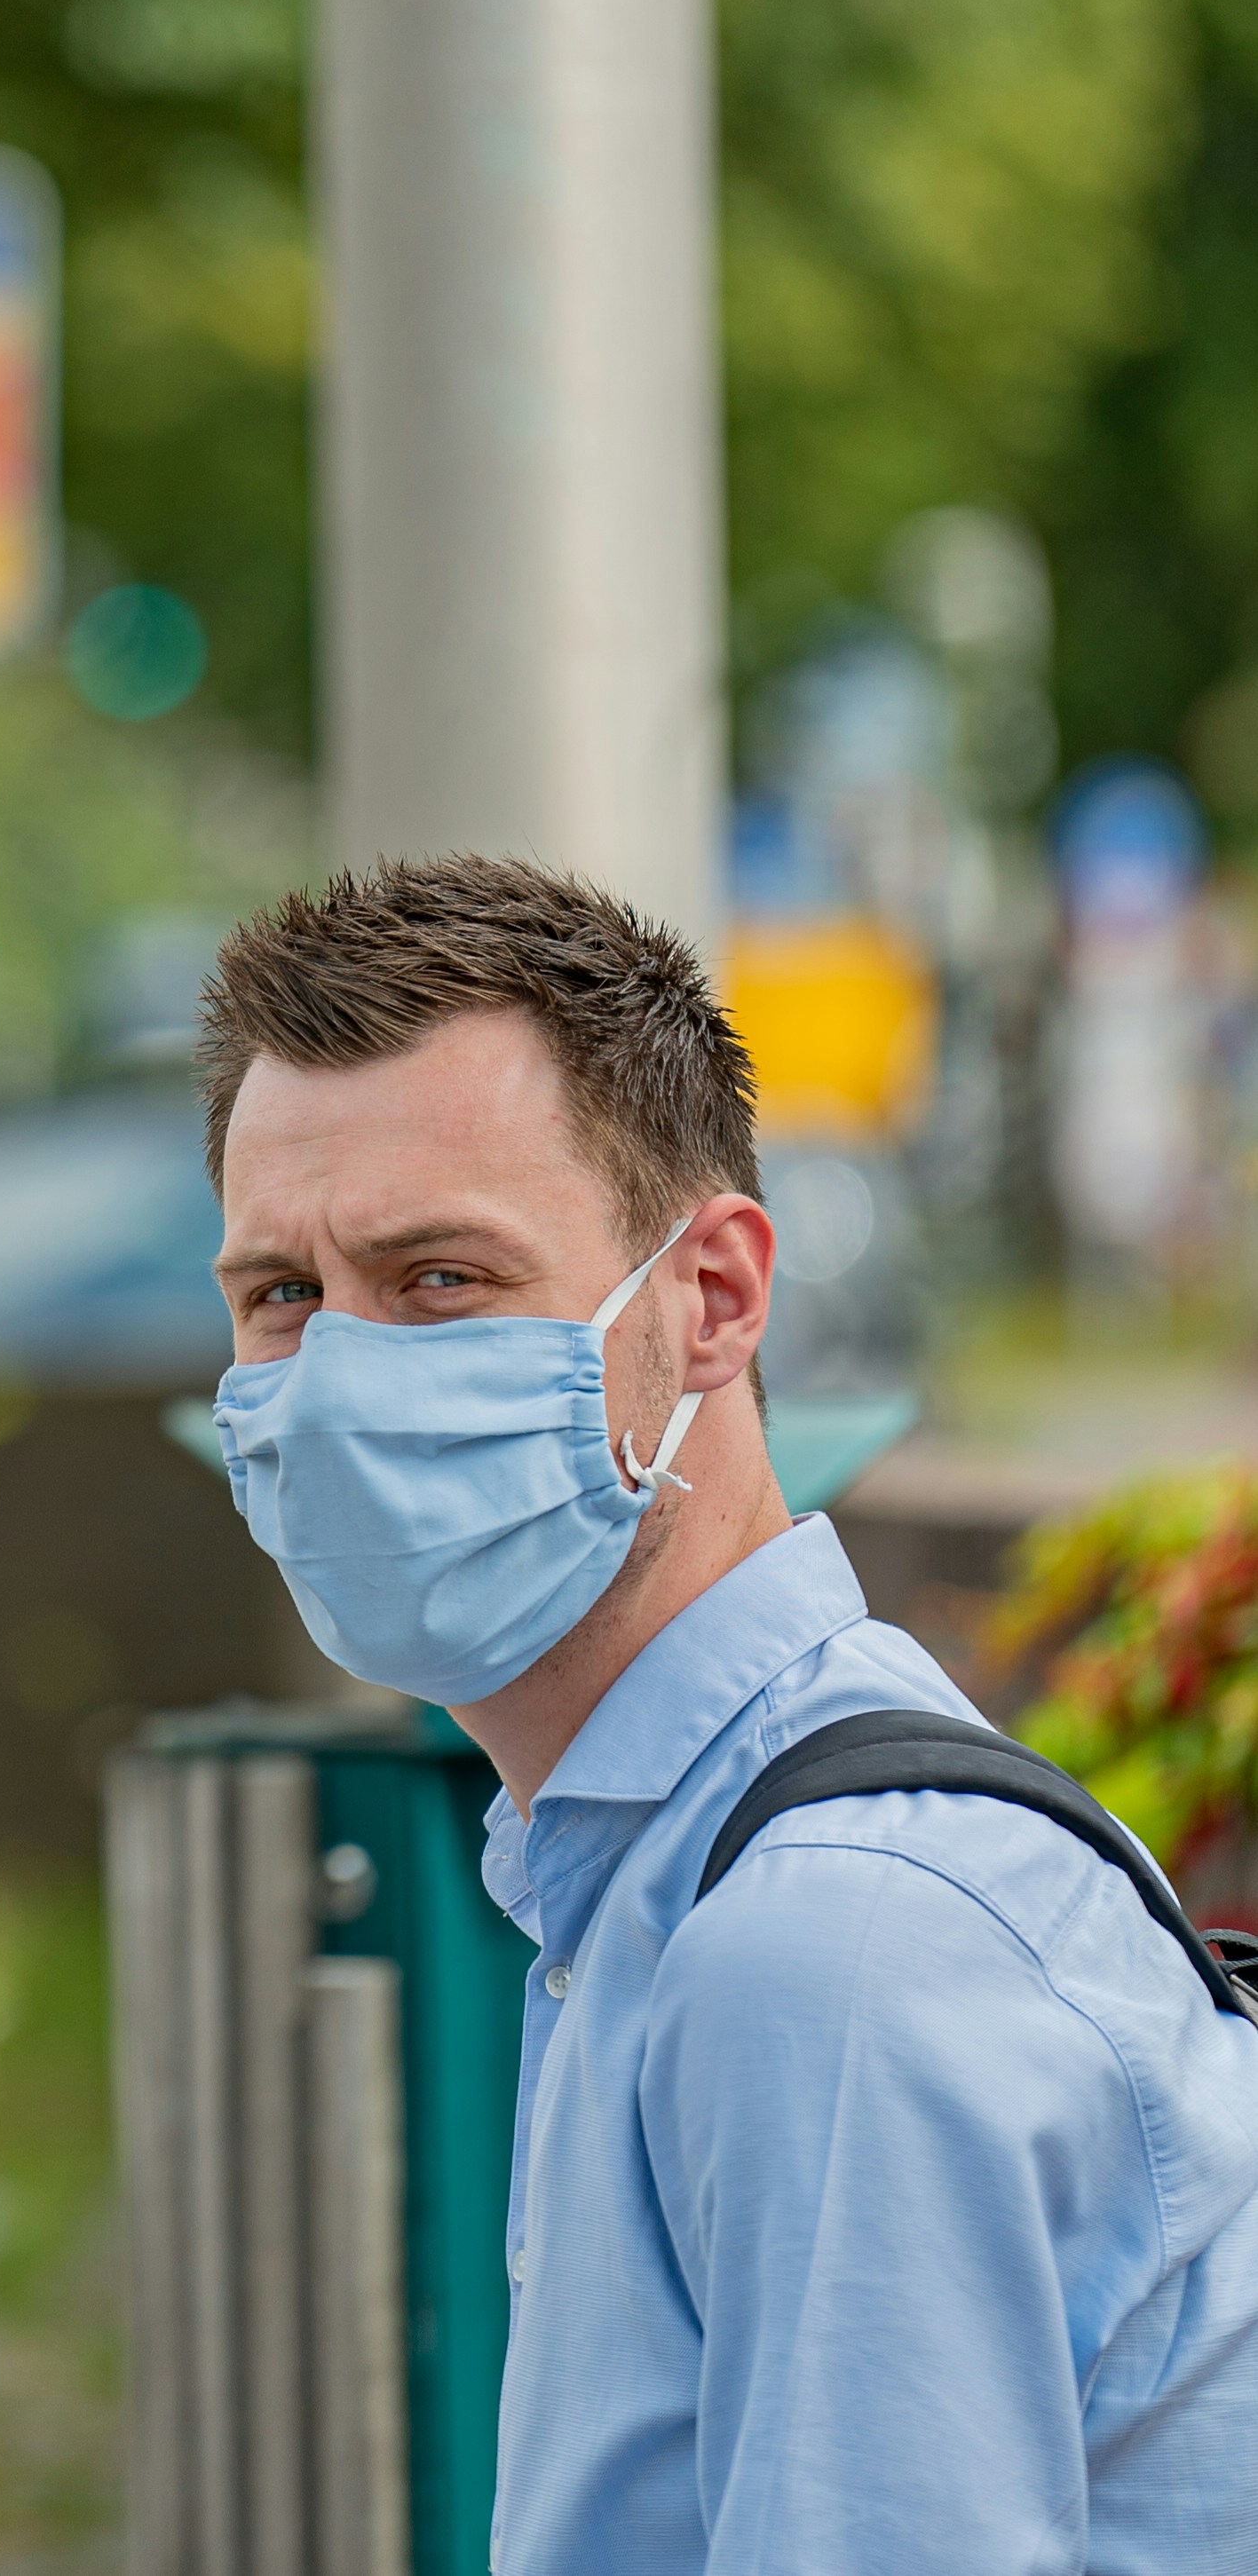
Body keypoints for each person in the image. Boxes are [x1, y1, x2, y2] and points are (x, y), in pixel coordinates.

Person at [201, 854, 1258, 2576]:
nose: (338, 1381)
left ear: (712, 1299)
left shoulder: (824, 1947)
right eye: (283, 1295)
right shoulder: (658, 1862)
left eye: (441, 1277)